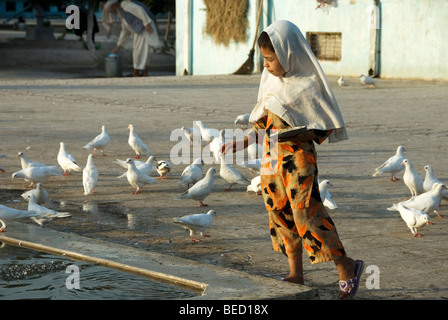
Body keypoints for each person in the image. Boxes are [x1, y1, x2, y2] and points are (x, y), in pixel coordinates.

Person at [222, 20, 364, 300]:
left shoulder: (308, 85)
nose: (267, 65)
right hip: (271, 160)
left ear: (288, 55)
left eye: (271, 59)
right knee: (279, 213)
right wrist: (240, 142)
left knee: (306, 213)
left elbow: (322, 127)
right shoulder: (271, 83)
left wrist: (296, 132)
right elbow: (262, 126)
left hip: (299, 160)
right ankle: (296, 273)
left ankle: (345, 265)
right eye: (265, 59)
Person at [102, 0, 161, 77]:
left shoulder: (125, 4)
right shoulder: (121, 12)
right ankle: (143, 71)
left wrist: (146, 24)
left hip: (143, 27)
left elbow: (139, 9)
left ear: (114, 6)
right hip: (139, 29)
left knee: (139, 50)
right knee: (140, 50)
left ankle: (135, 72)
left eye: (110, 10)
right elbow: (124, 30)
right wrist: (118, 47)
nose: (111, 13)